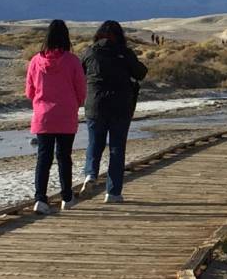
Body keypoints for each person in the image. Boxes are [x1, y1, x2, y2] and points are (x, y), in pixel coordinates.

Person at [80, 19, 146, 202]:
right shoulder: (124, 53)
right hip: (120, 107)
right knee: (117, 148)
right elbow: (141, 73)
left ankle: (90, 174)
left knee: (95, 143)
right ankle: (113, 192)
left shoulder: (90, 51)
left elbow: (80, 72)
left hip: (95, 105)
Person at [25, 18, 86, 214]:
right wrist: (73, 103)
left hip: (43, 116)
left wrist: (41, 101)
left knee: (43, 158)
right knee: (64, 157)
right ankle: (66, 197)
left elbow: (29, 91)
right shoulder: (72, 61)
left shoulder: (35, 61)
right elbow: (81, 91)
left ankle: (40, 199)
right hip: (66, 115)